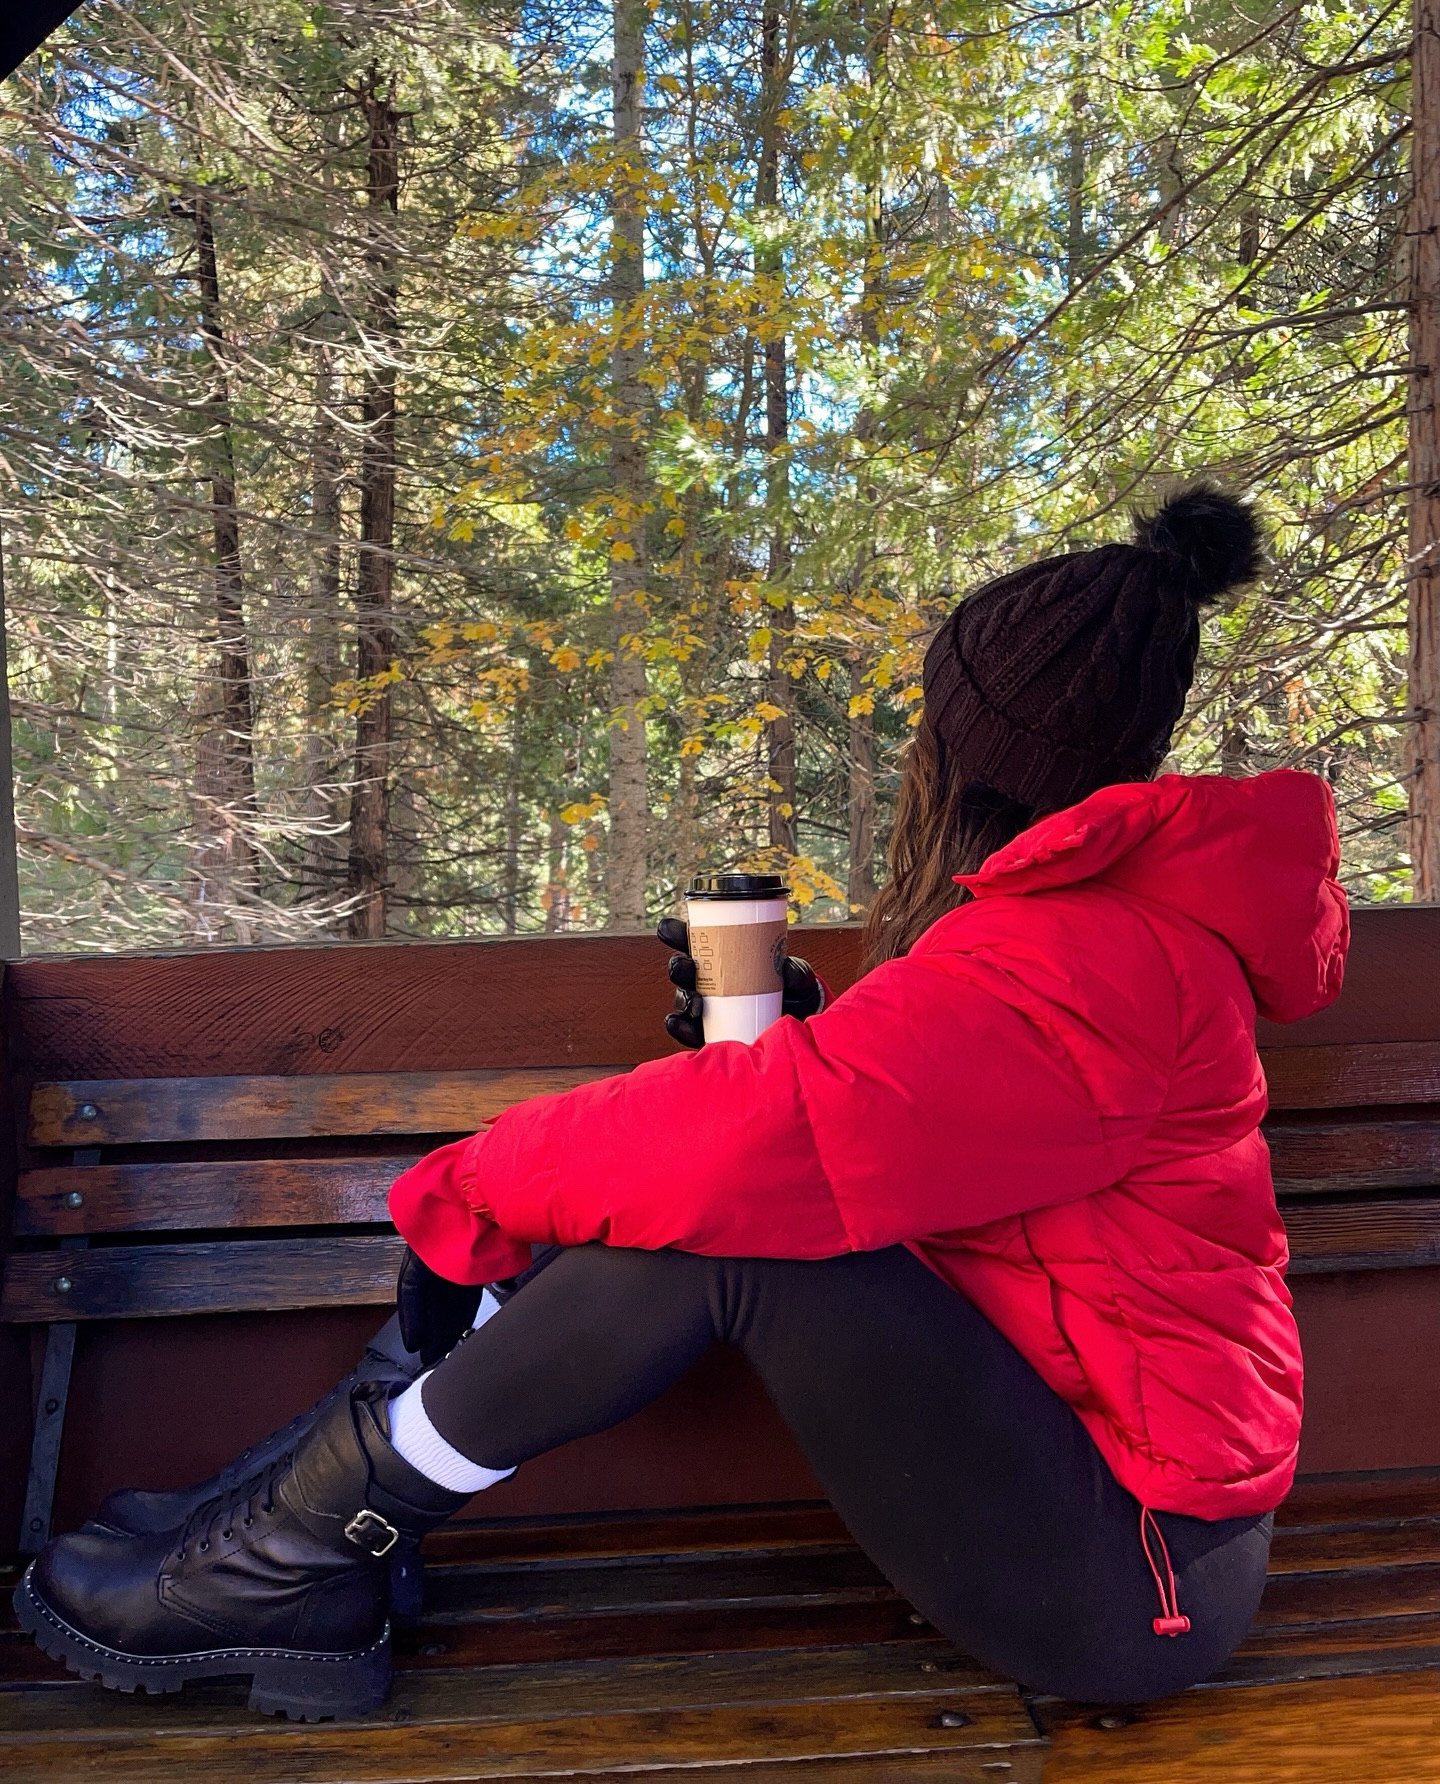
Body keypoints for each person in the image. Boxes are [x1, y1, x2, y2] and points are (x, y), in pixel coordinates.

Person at [14, 483, 1349, 1722]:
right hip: (1114, 1509)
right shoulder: (1086, 930)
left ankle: (304, 1541)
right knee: (721, 1189)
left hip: (1136, 1587)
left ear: (964, 740)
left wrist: (466, 1193)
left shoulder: (1087, 954)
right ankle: (293, 1527)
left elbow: (760, 1143)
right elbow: (952, 1151)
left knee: (724, 1226)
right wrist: (824, 1046)